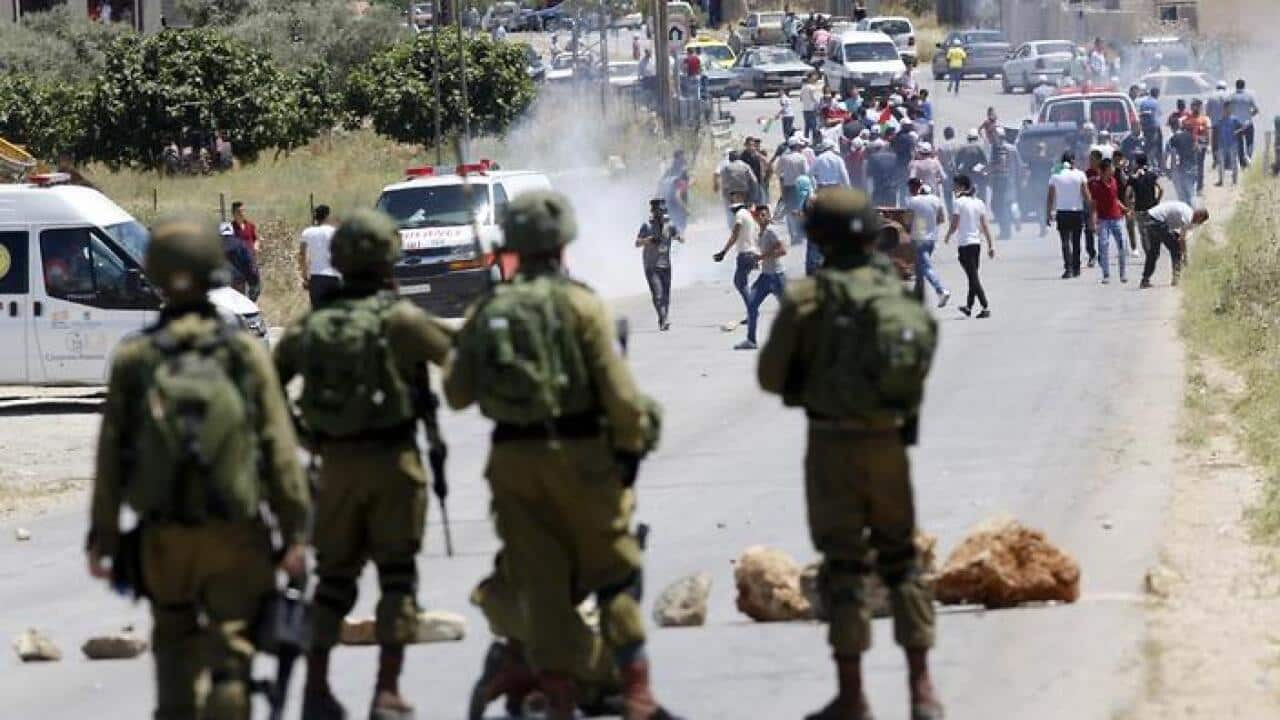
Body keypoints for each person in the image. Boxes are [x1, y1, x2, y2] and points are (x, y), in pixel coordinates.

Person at [444, 190, 681, 720]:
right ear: (563, 244)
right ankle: (637, 696)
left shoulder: (490, 309)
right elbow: (620, 397)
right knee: (615, 576)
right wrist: (630, 451)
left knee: (543, 590)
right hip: (581, 458)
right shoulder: (582, 305)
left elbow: (456, 394)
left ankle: (557, 703)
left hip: (513, 465)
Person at [87, 217, 310, 720]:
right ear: (216, 269)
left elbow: (110, 457)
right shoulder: (243, 354)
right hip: (235, 532)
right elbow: (277, 446)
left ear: (156, 275)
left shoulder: (135, 357)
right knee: (231, 656)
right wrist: (295, 531)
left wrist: (102, 538)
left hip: (163, 539)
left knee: (173, 650)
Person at [757, 187, 944, 720]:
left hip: (831, 444)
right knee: (902, 561)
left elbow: (770, 377)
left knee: (844, 566)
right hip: (888, 440)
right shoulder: (895, 292)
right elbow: (922, 353)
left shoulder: (809, 299)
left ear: (820, 238)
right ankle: (922, 689)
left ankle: (853, 694)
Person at [275, 210, 455, 720]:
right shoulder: (399, 319)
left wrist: (303, 435)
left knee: (333, 580)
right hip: (393, 462)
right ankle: (386, 691)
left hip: (332, 467)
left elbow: (264, 387)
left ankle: (315, 690)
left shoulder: (312, 325)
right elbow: (460, 363)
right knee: (397, 578)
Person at [737, 205, 788, 351]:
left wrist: (762, 256)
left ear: (768, 215)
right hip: (765, 277)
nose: (762, 217)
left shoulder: (772, 230)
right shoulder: (760, 232)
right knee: (752, 305)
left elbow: (783, 250)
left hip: (778, 277)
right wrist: (757, 260)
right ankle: (751, 340)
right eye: (759, 215)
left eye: (764, 215)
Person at [944, 174, 995, 318]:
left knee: (973, 278)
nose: (953, 188)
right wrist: (991, 246)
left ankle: (985, 306)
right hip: (976, 244)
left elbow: (955, 224)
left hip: (965, 245)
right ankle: (969, 306)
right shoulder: (979, 202)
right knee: (973, 276)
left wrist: (948, 235)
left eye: (955, 185)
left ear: (962, 186)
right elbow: (985, 226)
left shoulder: (958, 202)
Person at [715, 191, 762, 324]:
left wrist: (723, 252)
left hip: (745, 254)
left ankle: (753, 312)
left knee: (740, 283)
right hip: (751, 253)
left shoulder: (740, 215)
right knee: (742, 283)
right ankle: (752, 311)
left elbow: (735, 235)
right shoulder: (748, 214)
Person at [636, 198, 684, 331]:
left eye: (663, 211)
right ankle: (663, 318)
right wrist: (649, 240)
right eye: (659, 211)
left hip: (666, 265)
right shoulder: (647, 225)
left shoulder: (670, 225)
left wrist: (679, 237)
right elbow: (637, 243)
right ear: (653, 211)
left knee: (666, 295)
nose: (662, 214)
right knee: (658, 294)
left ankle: (663, 318)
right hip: (651, 266)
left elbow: (680, 237)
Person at [1140, 202, 1208, 289]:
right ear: (1199, 216)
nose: (1199, 223)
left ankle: (1145, 280)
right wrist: (1185, 257)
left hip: (1149, 218)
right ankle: (1176, 278)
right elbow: (1181, 239)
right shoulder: (1188, 217)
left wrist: (1184, 252)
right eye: (1201, 221)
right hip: (1156, 221)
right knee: (1175, 247)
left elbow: (1179, 236)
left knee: (1154, 252)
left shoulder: (1187, 212)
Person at [1046, 151, 1092, 278]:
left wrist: (1048, 212)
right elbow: (1086, 195)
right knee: (1076, 241)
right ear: (1073, 161)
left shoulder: (1055, 174)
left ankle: (1069, 269)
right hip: (1077, 212)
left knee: (1065, 242)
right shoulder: (1080, 174)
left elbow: (1050, 196)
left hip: (1062, 212)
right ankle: (1076, 268)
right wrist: (1092, 211)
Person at [906, 178, 949, 307]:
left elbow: (908, 221)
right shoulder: (936, 200)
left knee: (925, 267)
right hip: (931, 239)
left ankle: (940, 290)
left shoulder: (912, 201)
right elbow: (942, 219)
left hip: (919, 238)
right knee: (920, 269)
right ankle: (916, 298)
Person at [1088, 158, 1128, 284]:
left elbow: (1115, 199)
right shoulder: (1096, 186)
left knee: (1122, 244)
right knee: (1103, 246)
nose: (1113, 169)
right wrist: (1093, 222)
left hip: (1117, 218)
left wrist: (1125, 209)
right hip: (1103, 220)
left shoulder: (1114, 181)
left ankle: (1123, 273)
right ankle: (1106, 274)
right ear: (1104, 170)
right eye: (1111, 168)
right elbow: (1094, 205)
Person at [299, 204, 341, 307]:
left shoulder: (307, 232)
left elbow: (302, 255)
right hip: (334, 276)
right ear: (328, 216)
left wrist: (304, 276)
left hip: (316, 277)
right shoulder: (336, 232)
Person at [776, 135, 812, 245]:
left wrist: (783, 178)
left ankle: (792, 234)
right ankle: (800, 234)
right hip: (800, 186)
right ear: (796, 146)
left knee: (789, 210)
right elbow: (807, 172)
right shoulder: (801, 157)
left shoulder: (784, 157)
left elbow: (778, 171)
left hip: (787, 186)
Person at [1126, 152, 1163, 256]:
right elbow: (1161, 189)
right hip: (1152, 208)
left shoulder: (1133, 178)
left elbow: (1128, 193)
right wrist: (1157, 201)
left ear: (1137, 163)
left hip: (1139, 209)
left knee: (1143, 233)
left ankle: (1148, 254)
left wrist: (1130, 208)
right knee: (1153, 231)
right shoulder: (1152, 175)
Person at [987, 127, 1021, 240]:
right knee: (1007, 203)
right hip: (1009, 180)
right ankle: (1014, 220)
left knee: (999, 206)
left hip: (1001, 181)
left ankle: (1006, 231)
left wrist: (989, 176)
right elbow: (1019, 165)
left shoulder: (997, 149)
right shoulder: (1012, 148)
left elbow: (992, 166)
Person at [716, 151, 760, 230]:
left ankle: (734, 230)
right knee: (746, 211)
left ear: (730, 159)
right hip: (745, 193)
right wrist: (753, 195)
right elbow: (754, 181)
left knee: (733, 214)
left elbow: (724, 184)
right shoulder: (746, 166)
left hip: (732, 195)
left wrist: (726, 197)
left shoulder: (726, 168)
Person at [219, 221, 260, 300]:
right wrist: (253, 282)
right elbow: (249, 262)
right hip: (238, 282)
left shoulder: (214, 245)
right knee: (239, 305)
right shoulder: (240, 244)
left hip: (221, 283)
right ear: (232, 231)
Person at [1165, 118, 1198, 204]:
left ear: (1171, 128)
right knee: (1191, 193)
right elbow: (1196, 149)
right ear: (1179, 125)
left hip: (1180, 170)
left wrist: (1168, 171)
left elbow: (1172, 156)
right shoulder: (1190, 135)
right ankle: (1197, 214)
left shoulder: (1172, 139)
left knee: (1182, 197)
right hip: (1192, 168)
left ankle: (1187, 215)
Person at [953, 129, 988, 206]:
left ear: (968, 138)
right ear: (976, 138)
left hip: (966, 174)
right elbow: (985, 161)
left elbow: (957, 162)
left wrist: (958, 172)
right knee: (982, 194)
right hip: (978, 175)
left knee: (965, 194)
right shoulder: (980, 147)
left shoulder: (963, 147)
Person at [1231, 79, 1259, 166]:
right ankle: (1248, 158)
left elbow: (1228, 110)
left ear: (1236, 86)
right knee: (1249, 143)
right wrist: (1250, 115)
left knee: (1239, 144)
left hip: (1236, 124)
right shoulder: (1249, 96)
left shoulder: (1232, 97)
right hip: (1248, 123)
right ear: (1244, 86)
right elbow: (1256, 110)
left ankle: (1242, 163)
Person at [1215, 99, 1241, 187]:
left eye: (1229, 108)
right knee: (1220, 163)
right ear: (1224, 108)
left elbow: (1241, 128)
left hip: (1233, 143)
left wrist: (1236, 132)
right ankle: (1221, 180)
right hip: (1221, 144)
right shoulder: (1220, 119)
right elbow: (1216, 132)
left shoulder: (1234, 119)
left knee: (1234, 162)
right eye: (1226, 108)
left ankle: (1234, 180)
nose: (1228, 109)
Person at [866, 139, 899, 207]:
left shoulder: (873, 157)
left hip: (878, 191)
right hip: (891, 190)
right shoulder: (894, 157)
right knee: (891, 214)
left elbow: (869, 176)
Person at [1206, 80, 1228, 170]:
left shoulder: (1211, 97)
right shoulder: (1227, 96)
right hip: (1226, 124)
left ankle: (1216, 160)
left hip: (1214, 124)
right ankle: (1226, 161)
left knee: (1215, 144)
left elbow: (1207, 112)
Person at [937, 127, 959, 216]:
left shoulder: (942, 147)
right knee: (959, 195)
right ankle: (959, 214)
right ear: (953, 134)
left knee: (947, 196)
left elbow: (940, 162)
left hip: (946, 174)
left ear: (945, 135)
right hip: (957, 173)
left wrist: (939, 176)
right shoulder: (959, 145)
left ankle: (950, 215)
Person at [801, 72, 824, 144]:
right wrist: (819, 107)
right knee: (815, 127)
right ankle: (815, 142)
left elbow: (801, 98)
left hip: (805, 109)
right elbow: (815, 99)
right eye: (814, 76)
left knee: (807, 128)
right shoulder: (812, 88)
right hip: (812, 109)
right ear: (810, 78)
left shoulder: (804, 87)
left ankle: (805, 142)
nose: (816, 78)